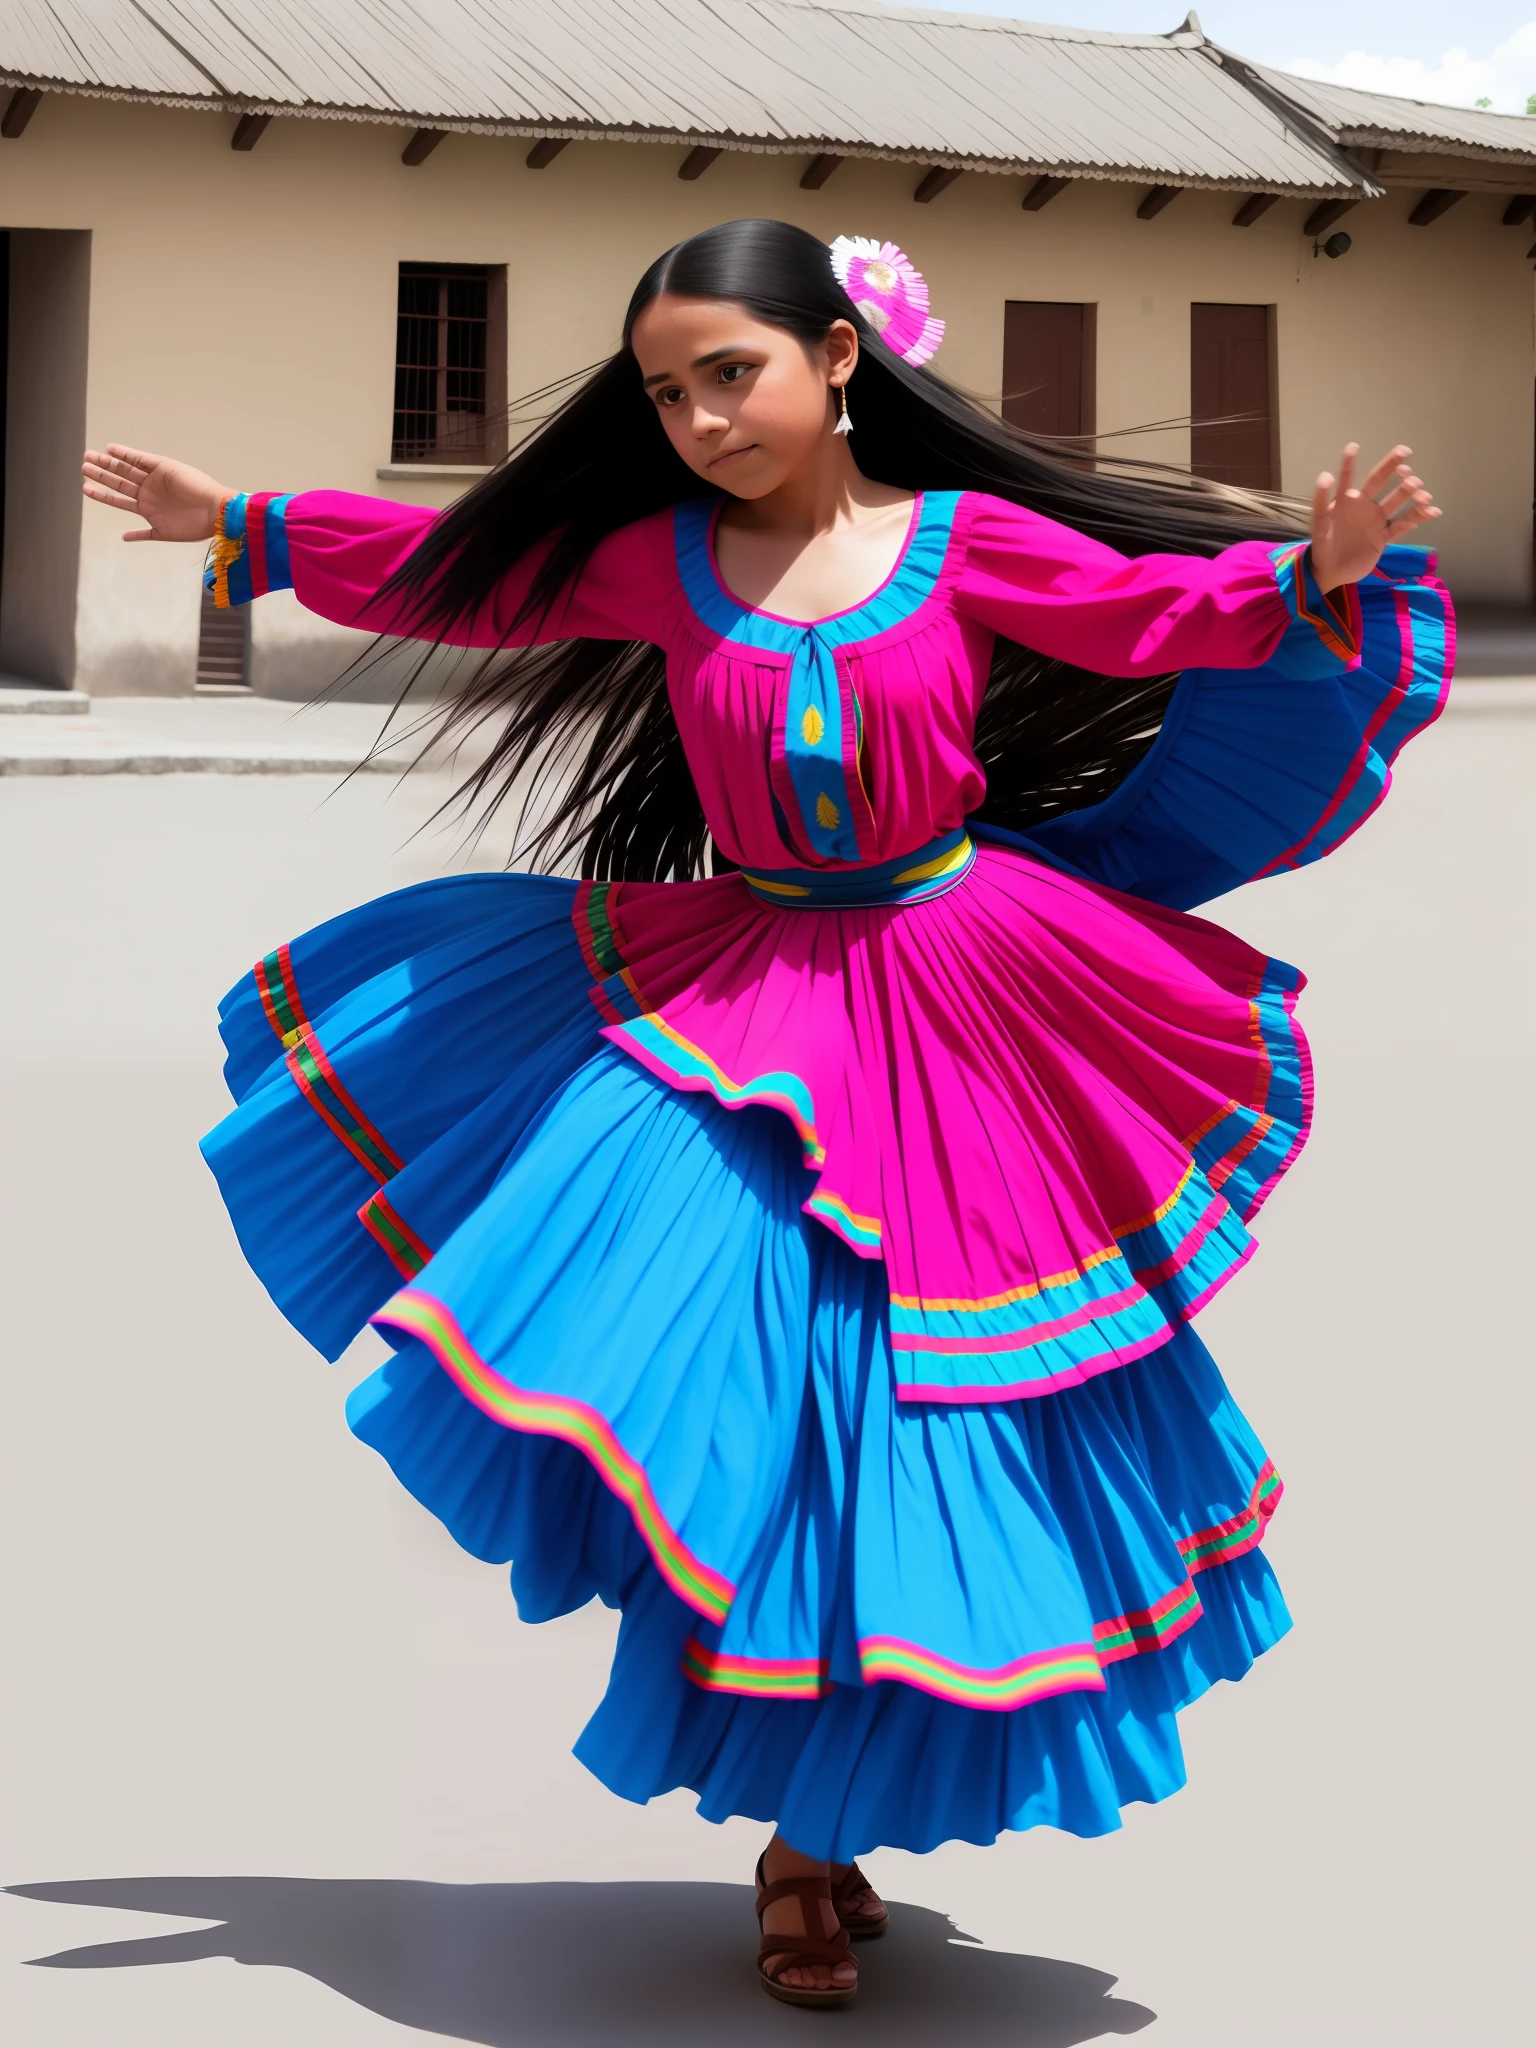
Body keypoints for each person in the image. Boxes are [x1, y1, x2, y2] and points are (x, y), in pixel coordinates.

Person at [82, 219, 1446, 2009]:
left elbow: (1149, 613)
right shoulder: (664, 567)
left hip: (961, 995)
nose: (703, 416)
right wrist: (251, 526)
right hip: (735, 995)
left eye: (732, 372)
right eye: (667, 391)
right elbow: (456, 577)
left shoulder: (966, 546)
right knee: (755, 1401)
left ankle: (827, 1827)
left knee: (930, 1405)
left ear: (839, 360)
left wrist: (1304, 576)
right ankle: (803, 1825)